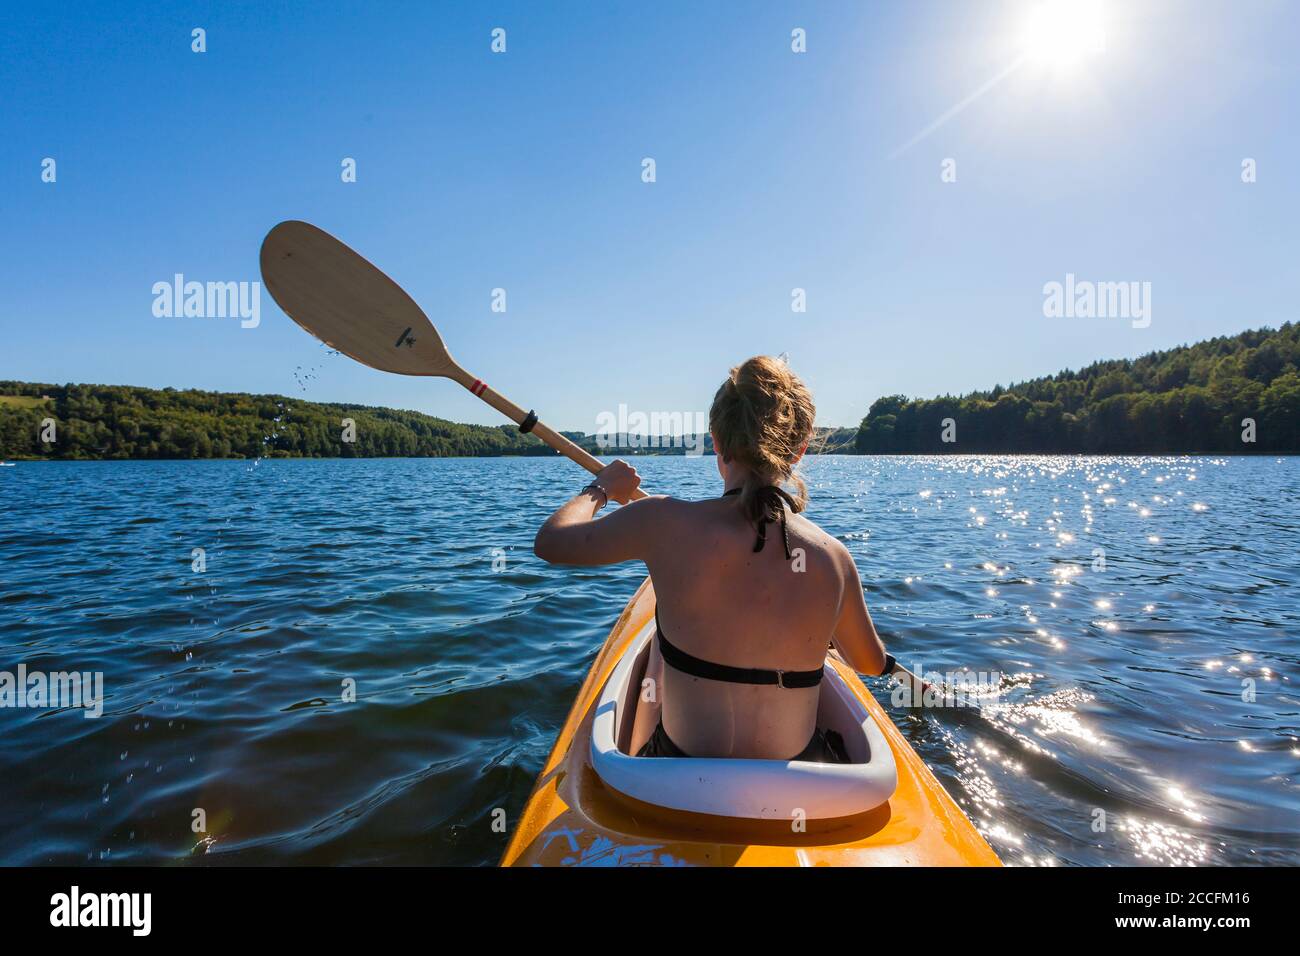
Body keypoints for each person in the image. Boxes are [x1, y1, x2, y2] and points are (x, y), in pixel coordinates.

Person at [534, 356, 890, 761]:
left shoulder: (660, 523)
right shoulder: (832, 558)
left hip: (678, 770)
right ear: (799, 450)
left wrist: (600, 488)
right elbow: (869, 663)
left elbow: (551, 542)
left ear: (716, 441)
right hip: (796, 785)